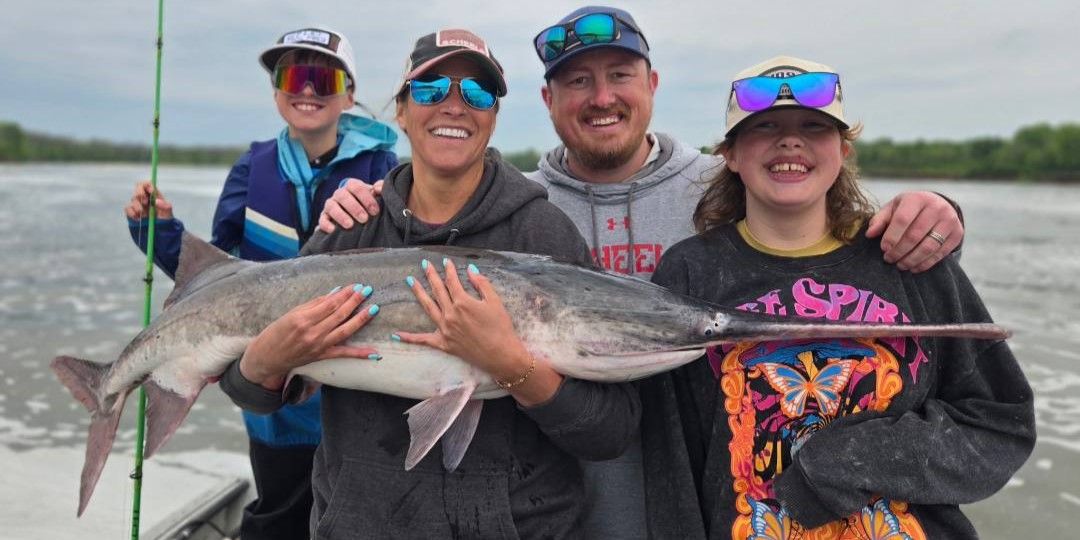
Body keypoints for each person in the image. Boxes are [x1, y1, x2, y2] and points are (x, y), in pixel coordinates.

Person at [313, 6, 970, 537]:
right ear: (547, 99)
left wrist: (934, 212)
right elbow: (428, 213)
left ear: (652, 85)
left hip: (700, 497)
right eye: (577, 82)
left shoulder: (730, 183)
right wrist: (367, 201)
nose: (601, 98)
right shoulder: (518, 211)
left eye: (620, 75)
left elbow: (836, 245)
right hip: (557, 502)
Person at [219, 29, 639, 538]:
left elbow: (609, 430)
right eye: (430, 89)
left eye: (478, 93)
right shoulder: (353, 225)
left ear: (494, 116)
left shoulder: (541, 232)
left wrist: (512, 366)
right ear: (401, 110)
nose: (455, 105)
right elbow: (252, 393)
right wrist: (264, 363)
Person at [639, 55, 1035, 539]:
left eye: (814, 126)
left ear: (843, 150)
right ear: (731, 154)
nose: (790, 140)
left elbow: (1000, 422)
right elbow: (670, 457)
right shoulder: (689, 272)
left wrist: (844, 460)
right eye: (764, 127)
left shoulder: (908, 261)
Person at [123, 26, 398, 540]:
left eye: (323, 76)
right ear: (276, 90)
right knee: (279, 513)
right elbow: (215, 280)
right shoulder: (253, 167)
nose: (308, 90)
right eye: (292, 75)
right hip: (274, 395)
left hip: (358, 395)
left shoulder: (383, 166)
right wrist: (156, 231)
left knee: (356, 514)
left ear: (350, 93)